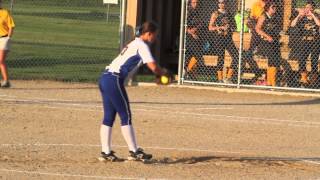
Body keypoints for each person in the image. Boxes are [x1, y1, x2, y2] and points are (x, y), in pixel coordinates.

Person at [98, 22, 166, 162]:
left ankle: (106, 152)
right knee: (126, 116)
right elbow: (152, 66)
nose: (155, 38)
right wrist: (163, 74)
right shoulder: (142, 45)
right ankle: (134, 151)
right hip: (114, 80)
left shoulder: (134, 43)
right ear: (148, 34)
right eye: (155, 35)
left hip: (105, 78)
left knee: (109, 116)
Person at [290, 1, 320, 87]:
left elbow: (319, 24)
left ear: (313, 9)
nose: (307, 9)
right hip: (304, 42)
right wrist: (299, 15)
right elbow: (292, 25)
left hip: (315, 42)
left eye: (309, 7)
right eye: (306, 7)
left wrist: (313, 15)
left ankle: (314, 81)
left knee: (314, 61)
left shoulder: (316, 16)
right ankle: (304, 79)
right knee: (302, 60)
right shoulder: (302, 18)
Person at [208, 0, 239, 84]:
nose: (221, 4)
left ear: (225, 3)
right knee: (221, 58)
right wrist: (220, 28)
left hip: (228, 38)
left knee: (236, 56)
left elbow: (234, 26)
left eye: (223, 2)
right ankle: (220, 78)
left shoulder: (229, 13)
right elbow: (210, 27)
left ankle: (228, 77)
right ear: (218, 4)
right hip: (219, 38)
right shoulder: (215, 13)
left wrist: (230, 27)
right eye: (220, 3)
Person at [255, 1, 281, 87]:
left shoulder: (275, 17)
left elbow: (276, 30)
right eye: (273, 7)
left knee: (275, 61)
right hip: (265, 42)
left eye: (275, 7)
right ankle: (272, 83)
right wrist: (267, 36)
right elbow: (257, 29)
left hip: (275, 42)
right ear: (268, 8)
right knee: (272, 59)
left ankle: (270, 82)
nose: (275, 8)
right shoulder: (264, 16)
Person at [185, 0, 204, 79]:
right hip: (188, 37)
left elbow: (201, 23)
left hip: (196, 36)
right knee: (197, 55)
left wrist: (195, 29)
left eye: (196, 3)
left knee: (194, 55)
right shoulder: (187, 12)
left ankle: (188, 73)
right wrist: (190, 31)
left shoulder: (198, 12)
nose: (195, 4)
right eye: (193, 2)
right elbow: (183, 24)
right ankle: (187, 72)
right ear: (190, 3)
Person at [0, 1, 15, 88]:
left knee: (0, 60)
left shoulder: (5, 12)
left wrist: (8, 37)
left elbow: (11, 26)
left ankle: (6, 81)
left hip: (4, 38)